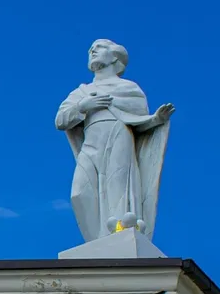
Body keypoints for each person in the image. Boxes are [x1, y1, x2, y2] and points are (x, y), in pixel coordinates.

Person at [55, 39, 174, 241]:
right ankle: (97, 241)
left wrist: (156, 119)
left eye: (99, 48)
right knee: (79, 194)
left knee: (117, 189)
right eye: (91, 49)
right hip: (91, 143)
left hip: (118, 135)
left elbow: (137, 122)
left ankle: (118, 233)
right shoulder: (81, 92)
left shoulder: (129, 88)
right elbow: (60, 121)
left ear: (115, 57)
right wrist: (84, 106)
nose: (92, 51)